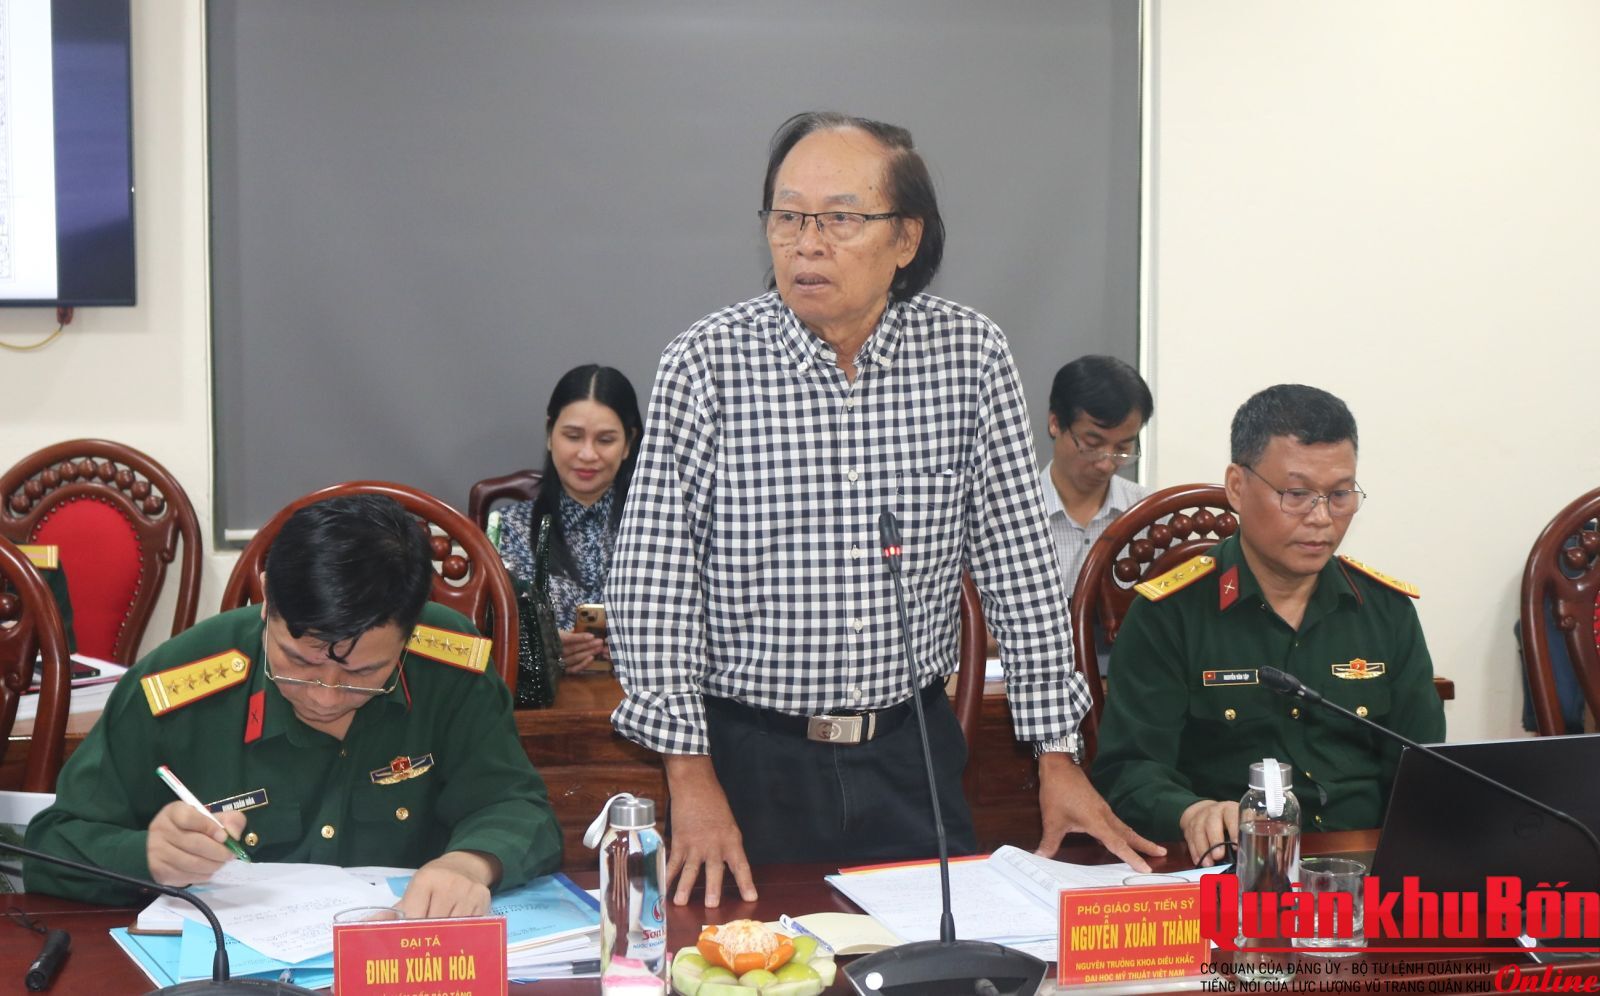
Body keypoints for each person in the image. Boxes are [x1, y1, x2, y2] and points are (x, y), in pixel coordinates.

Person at [607, 110, 1161, 908]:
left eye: (839, 219)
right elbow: (653, 586)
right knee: (750, 958)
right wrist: (689, 777)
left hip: (911, 754)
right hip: (749, 757)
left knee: (942, 953)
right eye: (787, 217)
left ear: (906, 238)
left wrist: (1057, 754)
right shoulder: (707, 363)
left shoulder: (969, 355)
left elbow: (1019, 568)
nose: (806, 243)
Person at [26, 494, 562, 915]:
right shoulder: (178, 683)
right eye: (298, 662)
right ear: (267, 601)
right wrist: (147, 857)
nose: (325, 696)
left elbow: (517, 808)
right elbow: (53, 844)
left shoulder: (449, 669)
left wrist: (470, 865)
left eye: (362, 674)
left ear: (409, 632)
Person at [1091, 385, 1445, 866]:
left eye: (1340, 495)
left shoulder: (1386, 611)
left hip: (1362, 869)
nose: (1321, 518)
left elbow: (1425, 767)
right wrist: (1190, 812)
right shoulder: (1169, 615)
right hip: (1226, 869)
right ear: (1237, 486)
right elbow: (1129, 771)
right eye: (1297, 495)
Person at [494, 364, 642, 672]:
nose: (587, 454)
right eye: (573, 436)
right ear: (550, 434)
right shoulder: (507, 529)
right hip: (543, 698)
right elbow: (486, 635)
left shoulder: (658, 530)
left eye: (605, 440)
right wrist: (538, 651)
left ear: (628, 443)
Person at [1043, 355, 1153, 674]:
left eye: (1123, 448)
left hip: (1127, 685)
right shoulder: (1006, 515)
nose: (1106, 464)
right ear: (1055, 423)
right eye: (1092, 444)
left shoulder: (1152, 516)